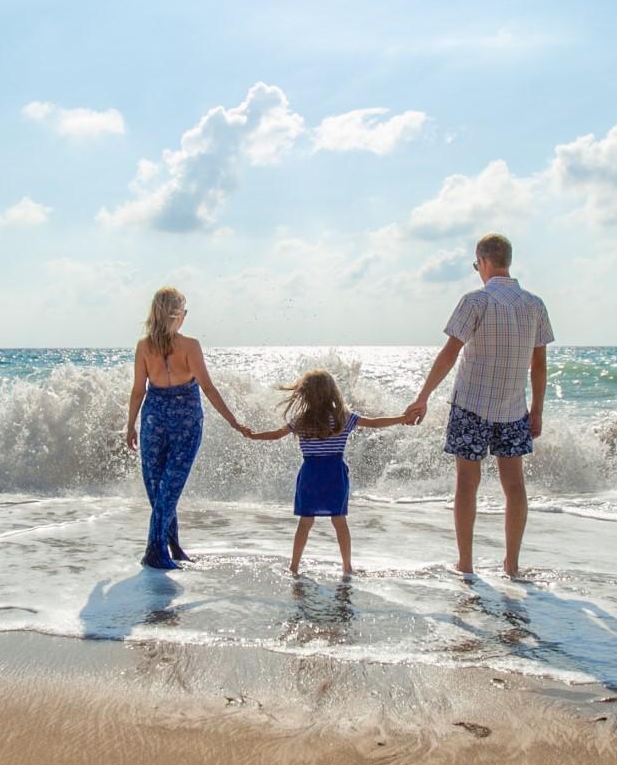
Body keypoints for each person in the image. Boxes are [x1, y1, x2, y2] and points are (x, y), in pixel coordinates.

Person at [405, 234, 553, 579]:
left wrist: (423, 396)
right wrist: (538, 410)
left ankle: (466, 564)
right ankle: (512, 565)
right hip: (514, 408)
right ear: (508, 261)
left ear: (482, 261)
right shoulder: (535, 304)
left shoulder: (476, 301)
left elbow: (449, 353)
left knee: (466, 485)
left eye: (476, 265)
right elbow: (540, 365)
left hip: (471, 404)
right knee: (514, 487)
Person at [244, 369, 412, 576]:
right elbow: (374, 423)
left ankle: (294, 566)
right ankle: (347, 567)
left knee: (305, 522)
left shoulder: (301, 420)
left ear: (305, 394)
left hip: (310, 475)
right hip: (334, 475)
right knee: (339, 521)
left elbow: (277, 435)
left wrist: (253, 436)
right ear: (332, 392)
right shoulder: (343, 417)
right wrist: (402, 418)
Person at [126, 287, 245, 570]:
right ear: (177, 315)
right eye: (185, 311)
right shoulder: (190, 346)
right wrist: (233, 420)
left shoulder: (144, 346)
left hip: (154, 419)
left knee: (162, 488)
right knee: (166, 488)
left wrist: (130, 424)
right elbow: (207, 386)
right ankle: (155, 550)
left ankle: (172, 546)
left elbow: (138, 391)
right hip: (186, 421)